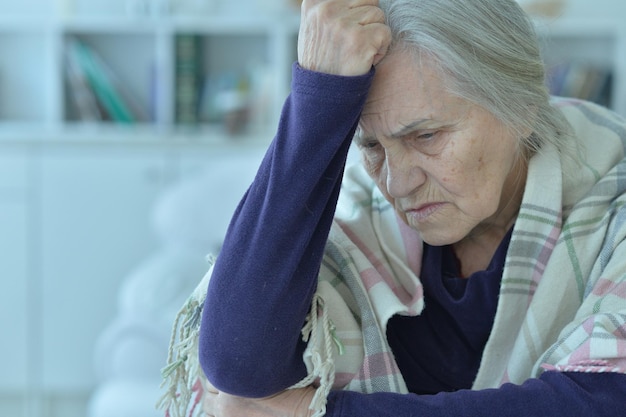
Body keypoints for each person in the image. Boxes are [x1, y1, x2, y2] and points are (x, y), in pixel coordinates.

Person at [158, 0, 626, 416]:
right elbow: (238, 363)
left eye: (426, 136)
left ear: (521, 106)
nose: (398, 183)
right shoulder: (355, 211)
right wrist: (318, 96)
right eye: (372, 146)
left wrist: (317, 413)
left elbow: (602, 400)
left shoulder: (613, 198)